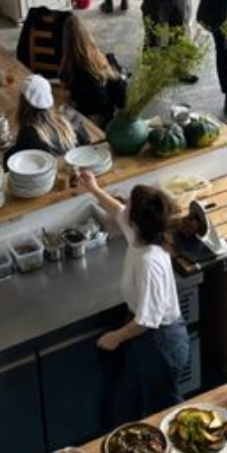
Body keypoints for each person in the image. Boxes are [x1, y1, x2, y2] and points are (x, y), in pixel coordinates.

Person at [78, 170, 190, 424]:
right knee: (132, 396)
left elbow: (147, 321)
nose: (124, 204)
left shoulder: (148, 262)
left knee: (164, 411)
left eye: (129, 202)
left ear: (135, 221)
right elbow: (116, 209)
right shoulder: (143, 235)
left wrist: (113, 338)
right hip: (147, 337)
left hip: (161, 341)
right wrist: (93, 188)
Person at [3, 74, 89, 163]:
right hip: (75, 168)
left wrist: (6, 152)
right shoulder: (70, 115)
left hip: (51, 175)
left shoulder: (29, 134)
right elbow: (87, 142)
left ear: (23, 102)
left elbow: (11, 162)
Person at [60, 14, 127, 127]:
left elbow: (72, 96)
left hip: (88, 116)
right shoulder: (99, 60)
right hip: (106, 116)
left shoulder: (68, 68)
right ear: (87, 34)